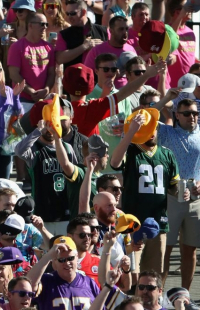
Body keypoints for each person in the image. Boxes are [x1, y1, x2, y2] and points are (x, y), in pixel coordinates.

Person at [110, 108, 180, 275]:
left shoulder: (167, 154)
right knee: (132, 273)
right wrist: (131, 133)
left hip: (159, 221)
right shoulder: (131, 150)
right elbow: (114, 162)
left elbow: (173, 187)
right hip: (133, 222)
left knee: (155, 274)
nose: (151, 133)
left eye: (153, 128)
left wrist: (184, 191)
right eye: (146, 130)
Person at [157, 98, 200, 290]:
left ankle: (185, 295)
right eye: (187, 113)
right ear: (177, 115)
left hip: (196, 199)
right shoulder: (167, 133)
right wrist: (166, 99)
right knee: (165, 249)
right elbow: (144, 114)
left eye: (195, 113)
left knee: (190, 249)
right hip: (171, 197)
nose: (192, 117)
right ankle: (160, 295)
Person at [16, 118, 77, 235]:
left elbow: (75, 177)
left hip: (66, 211)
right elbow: (19, 151)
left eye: (53, 126)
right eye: (47, 127)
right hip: (43, 213)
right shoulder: (35, 149)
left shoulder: (68, 148)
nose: (49, 130)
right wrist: (38, 131)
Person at [26, 237, 100, 309]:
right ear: (54, 261)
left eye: (70, 258)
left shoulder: (89, 282)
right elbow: (27, 286)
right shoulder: (46, 281)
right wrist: (48, 256)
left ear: (77, 257)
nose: (67, 263)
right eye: (61, 260)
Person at [0, 189, 43, 262]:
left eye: (13, 205)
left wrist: (42, 229)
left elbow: (50, 247)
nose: (11, 209)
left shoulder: (26, 227)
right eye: (7, 205)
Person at [8, 12, 56, 105]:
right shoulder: (17, 46)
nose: (45, 27)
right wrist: (31, 91)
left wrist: (46, 89)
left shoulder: (48, 47)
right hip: (22, 99)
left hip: (44, 99)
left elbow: (51, 73)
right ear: (30, 25)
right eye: (42, 24)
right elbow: (14, 75)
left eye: (46, 24)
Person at [84, 16, 137, 89]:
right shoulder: (97, 51)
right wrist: (111, 75)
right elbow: (86, 76)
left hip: (127, 94)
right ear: (111, 31)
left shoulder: (131, 49)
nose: (125, 32)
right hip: (104, 95)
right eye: (121, 29)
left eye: (126, 29)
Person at [55, 0, 107, 71]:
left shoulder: (103, 31)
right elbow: (59, 58)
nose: (69, 17)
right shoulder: (64, 34)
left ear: (84, 12)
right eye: (67, 14)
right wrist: (84, 46)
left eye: (73, 13)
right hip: (75, 79)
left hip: (98, 79)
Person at [165, 0, 195, 88]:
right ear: (178, 12)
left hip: (190, 84)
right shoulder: (167, 30)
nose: (192, 10)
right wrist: (181, 15)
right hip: (174, 85)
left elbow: (189, 55)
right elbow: (171, 36)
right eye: (188, 8)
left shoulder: (190, 32)